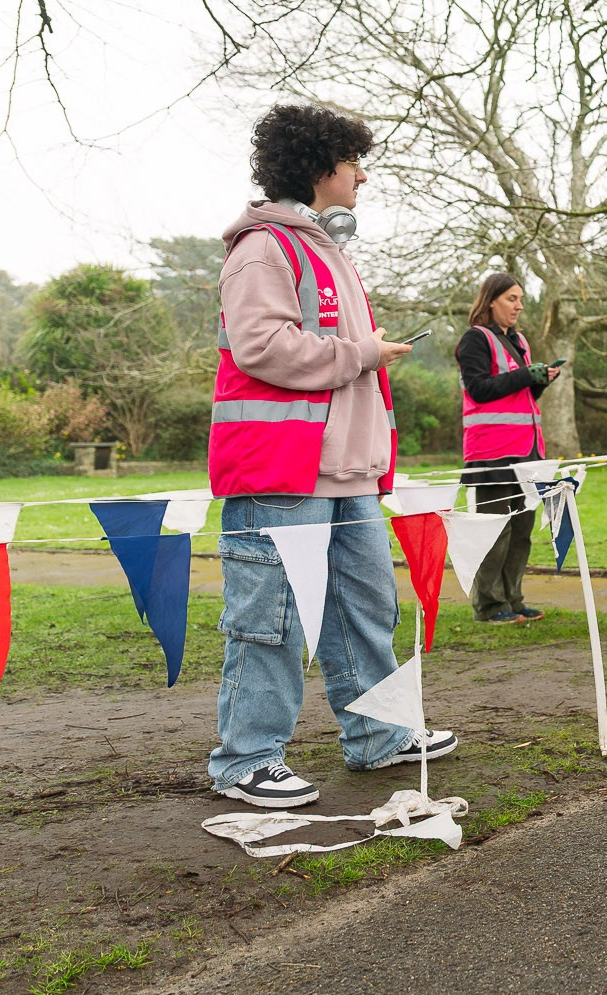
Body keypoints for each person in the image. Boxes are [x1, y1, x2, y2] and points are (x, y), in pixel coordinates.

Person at [207, 104, 454, 809]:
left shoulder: (326, 250)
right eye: (353, 163)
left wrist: (364, 365)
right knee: (270, 619)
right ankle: (246, 759)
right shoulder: (262, 250)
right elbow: (263, 346)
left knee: (365, 609)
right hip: (280, 471)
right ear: (322, 167)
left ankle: (379, 734)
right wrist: (364, 353)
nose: (362, 175)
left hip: (343, 471)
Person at [455, 274, 560, 624]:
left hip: (527, 452)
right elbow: (479, 390)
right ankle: (489, 605)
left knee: (520, 532)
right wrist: (528, 375)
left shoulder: (520, 340)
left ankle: (513, 600)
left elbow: (521, 393)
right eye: (512, 299)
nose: (518, 306)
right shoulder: (475, 339)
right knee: (494, 533)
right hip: (492, 453)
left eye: (520, 300)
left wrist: (539, 380)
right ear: (490, 301)